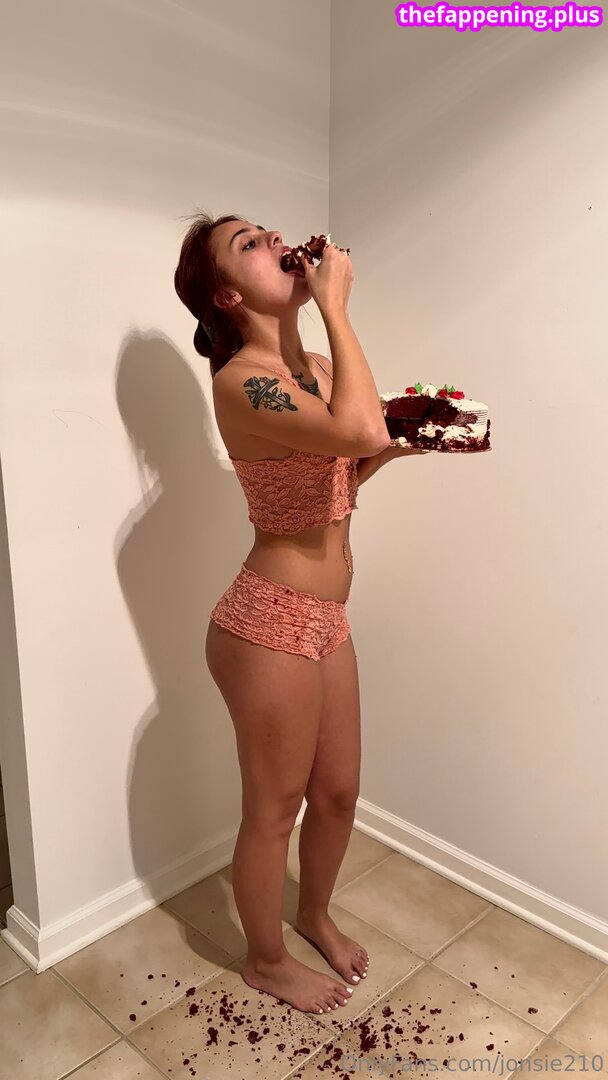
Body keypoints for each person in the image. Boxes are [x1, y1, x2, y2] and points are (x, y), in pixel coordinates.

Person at [174, 213, 392, 1016]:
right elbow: (360, 425)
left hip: (328, 617)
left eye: (269, 231)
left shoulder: (321, 368)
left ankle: (315, 914)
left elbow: (345, 466)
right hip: (267, 621)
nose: (274, 242)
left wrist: (390, 450)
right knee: (273, 813)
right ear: (228, 295)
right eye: (249, 244)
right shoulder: (242, 382)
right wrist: (334, 302)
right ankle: (264, 961)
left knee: (338, 793)